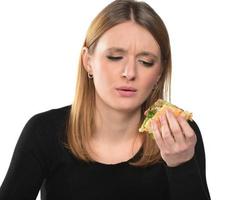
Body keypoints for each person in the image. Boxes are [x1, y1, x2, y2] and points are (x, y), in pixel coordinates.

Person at [0, 0, 211, 199]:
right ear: (88, 61)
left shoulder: (180, 135)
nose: (129, 73)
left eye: (146, 61)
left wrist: (181, 165)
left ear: (159, 72)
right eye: (114, 57)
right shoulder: (44, 131)